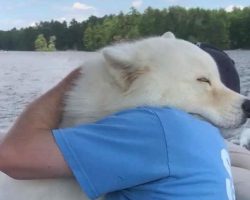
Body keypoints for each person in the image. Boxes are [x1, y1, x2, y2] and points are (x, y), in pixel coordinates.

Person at [0, 44, 247, 200]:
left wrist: (76, 77)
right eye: (205, 81)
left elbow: (12, 155)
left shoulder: (158, 127)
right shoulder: (205, 136)